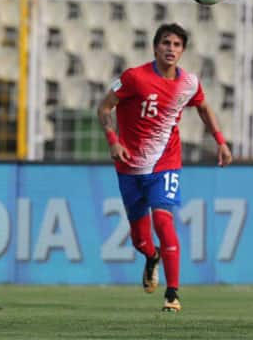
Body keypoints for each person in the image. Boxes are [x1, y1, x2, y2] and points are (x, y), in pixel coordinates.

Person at [97, 23, 233, 312]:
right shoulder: (134, 78)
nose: (171, 49)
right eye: (166, 43)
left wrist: (220, 142)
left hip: (166, 163)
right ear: (155, 47)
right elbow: (104, 108)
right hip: (129, 166)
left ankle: (172, 294)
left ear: (182, 51)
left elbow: (204, 108)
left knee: (163, 221)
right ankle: (151, 256)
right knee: (140, 239)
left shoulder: (189, 83)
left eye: (177, 45)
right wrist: (113, 140)